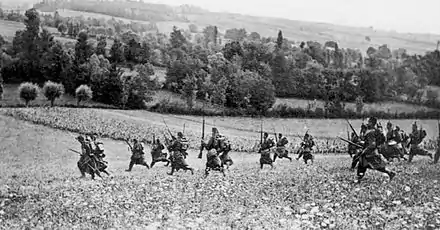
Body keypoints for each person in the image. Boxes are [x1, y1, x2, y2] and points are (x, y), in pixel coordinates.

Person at [355, 117, 396, 183]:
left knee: (373, 166)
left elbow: (372, 144)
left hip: (370, 153)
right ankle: (358, 179)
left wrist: (364, 150)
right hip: (373, 152)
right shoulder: (375, 131)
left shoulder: (371, 132)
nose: (367, 123)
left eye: (369, 122)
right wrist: (362, 142)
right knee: (363, 165)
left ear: (371, 123)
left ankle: (390, 173)